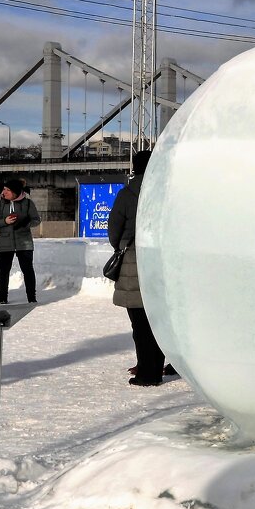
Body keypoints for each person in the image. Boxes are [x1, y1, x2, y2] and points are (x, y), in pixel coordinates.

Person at [108, 150, 167, 387]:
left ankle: (148, 373)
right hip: (160, 259)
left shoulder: (127, 194)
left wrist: (121, 246)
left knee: (139, 322)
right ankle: (155, 366)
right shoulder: (165, 191)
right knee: (158, 320)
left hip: (133, 259)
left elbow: (114, 228)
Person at [0, 177, 41, 304]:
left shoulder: (27, 203)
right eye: (3, 189)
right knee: (4, 270)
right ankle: (3, 298)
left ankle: (31, 297)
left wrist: (25, 223)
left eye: (7, 190)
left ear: (15, 192)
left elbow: (36, 220)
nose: (3, 192)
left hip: (24, 242)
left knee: (27, 270)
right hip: (4, 242)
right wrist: (5, 221)